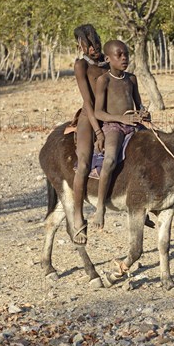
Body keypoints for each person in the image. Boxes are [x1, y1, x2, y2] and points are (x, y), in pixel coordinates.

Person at [93, 40, 150, 230]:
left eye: (126, 54)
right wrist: (120, 119)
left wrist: (143, 113)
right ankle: (100, 206)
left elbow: (138, 104)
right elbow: (98, 112)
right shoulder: (104, 80)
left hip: (133, 124)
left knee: (154, 153)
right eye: (119, 55)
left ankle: (146, 206)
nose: (124, 58)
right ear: (108, 59)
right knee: (109, 160)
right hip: (114, 126)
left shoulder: (131, 79)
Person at [68, 24, 108, 245]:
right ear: (79, 45)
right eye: (87, 44)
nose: (92, 48)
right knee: (83, 163)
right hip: (89, 116)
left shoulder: (109, 62)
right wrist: (98, 130)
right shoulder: (81, 65)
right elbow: (87, 102)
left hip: (110, 114)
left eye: (95, 42)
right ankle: (77, 214)